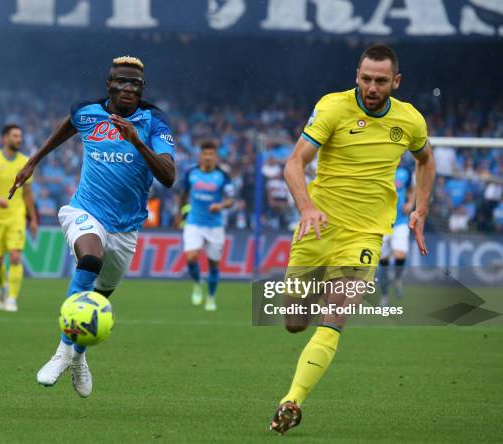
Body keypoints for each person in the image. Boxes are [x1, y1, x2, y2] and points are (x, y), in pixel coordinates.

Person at [270, 44, 436, 434]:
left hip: (365, 233)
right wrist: (307, 208)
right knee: (295, 321)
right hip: (318, 227)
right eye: (366, 78)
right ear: (357, 76)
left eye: (381, 80)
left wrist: (420, 209)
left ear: (396, 81)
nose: (372, 87)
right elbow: (294, 163)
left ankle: (291, 401)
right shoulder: (332, 108)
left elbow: (427, 161)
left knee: (334, 319)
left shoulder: (409, 120)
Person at [8, 56, 175, 398]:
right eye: (123, 83)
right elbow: (67, 125)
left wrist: (137, 141)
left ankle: (78, 356)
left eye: (136, 85)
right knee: (90, 260)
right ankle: (60, 352)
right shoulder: (87, 112)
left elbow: (169, 177)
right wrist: (33, 160)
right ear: (109, 85)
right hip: (85, 211)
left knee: (99, 297)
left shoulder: (154, 121)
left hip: (127, 228)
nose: (129, 90)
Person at [0, 124, 38, 312]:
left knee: (14, 256)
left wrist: (33, 219)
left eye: (20, 136)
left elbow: (28, 193)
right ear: (5, 139)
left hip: (16, 217)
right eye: (15, 136)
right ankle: (3, 287)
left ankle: (12, 297)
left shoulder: (25, 162)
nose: (19, 139)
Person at [181, 140, 234, 311]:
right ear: (200, 155)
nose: (208, 157)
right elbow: (183, 194)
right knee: (191, 257)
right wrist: (180, 214)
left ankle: (211, 297)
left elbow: (230, 199)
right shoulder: (191, 172)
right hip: (194, 223)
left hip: (215, 226)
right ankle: (197, 283)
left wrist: (221, 205)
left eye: (211, 154)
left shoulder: (223, 176)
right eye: (205, 154)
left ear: (216, 156)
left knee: (213, 265)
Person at [378, 166, 414, 306]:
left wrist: (410, 203)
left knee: (400, 255)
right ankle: (385, 295)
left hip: (400, 222)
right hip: (382, 223)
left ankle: (398, 278)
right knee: (383, 263)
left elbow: (412, 189)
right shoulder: (380, 168)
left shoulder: (405, 171)